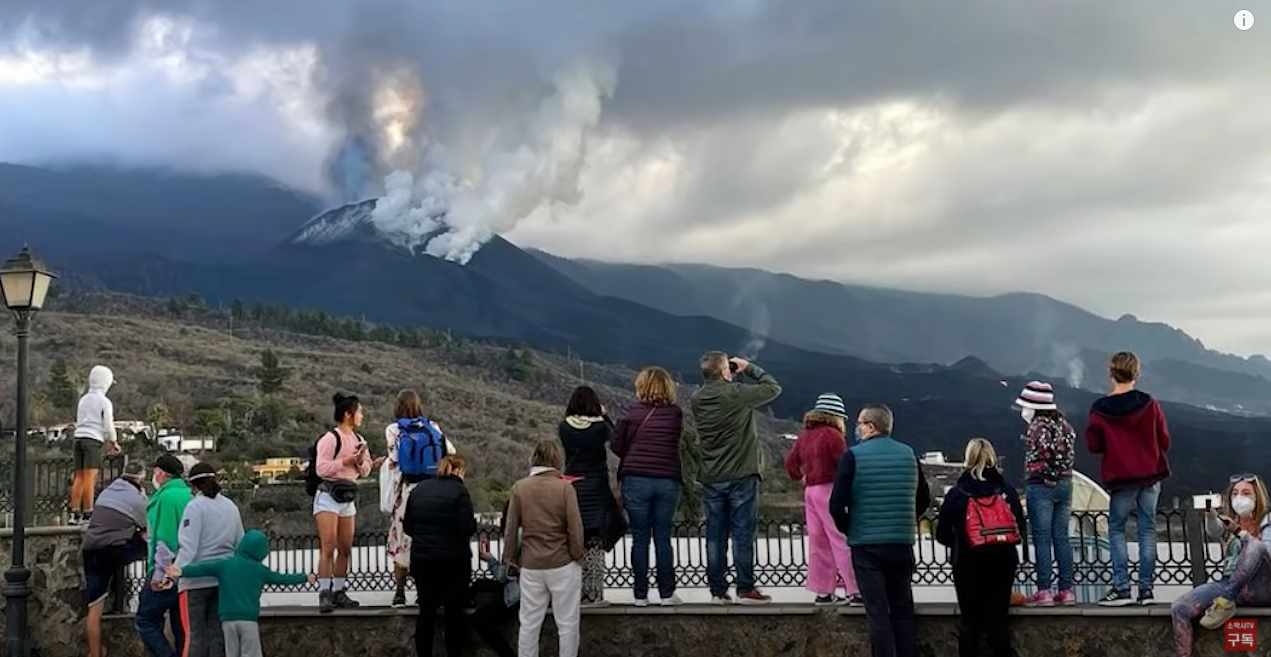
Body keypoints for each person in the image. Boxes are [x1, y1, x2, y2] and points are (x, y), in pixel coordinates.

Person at [829, 403, 931, 657]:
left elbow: (836, 504)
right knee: (902, 610)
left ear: (871, 426)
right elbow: (924, 498)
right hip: (901, 543)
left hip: (867, 546)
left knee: (877, 613)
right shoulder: (908, 454)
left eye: (860, 423)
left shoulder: (853, 456)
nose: (857, 427)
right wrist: (908, 519)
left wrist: (849, 528)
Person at [690, 351, 782, 605]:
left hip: (711, 475)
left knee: (715, 534)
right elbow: (773, 388)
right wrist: (749, 368)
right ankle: (745, 587)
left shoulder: (697, 398)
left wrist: (726, 374)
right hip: (742, 473)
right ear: (724, 371)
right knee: (742, 532)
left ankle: (718, 589)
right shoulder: (736, 394)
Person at [1085, 351, 1171, 606]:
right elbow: (1164, 439)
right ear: (1137, 373)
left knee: (1117, 530)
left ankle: (1121, 589)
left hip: (1121, 478)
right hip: (1150, 475)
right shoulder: (1150, 403)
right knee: (1147, 530)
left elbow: (1093, 445)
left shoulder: (1099, 409)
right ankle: (1146, 591)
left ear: (1110, 373)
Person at [935, 438, 1026, 657]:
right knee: (998, 620)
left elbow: (941, 534)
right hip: (1003, 559)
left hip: (968, 562)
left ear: (968, 459)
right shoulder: (1007, 491)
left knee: (969, 622)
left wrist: (962, 542)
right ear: (992, 459)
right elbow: (1019, 530)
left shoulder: (957, 495)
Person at [166, 530, 315, 657]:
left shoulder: (226, 564)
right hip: (248, 619)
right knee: (251, 652)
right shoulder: (259, 570)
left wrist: (182, 571)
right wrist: (304, 577)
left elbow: (204, 568)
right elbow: (281, 579)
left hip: (227, 619)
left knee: (232, 653)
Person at [1170, 474, 1271, 657]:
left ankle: (1225, 601)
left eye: (1246, 493)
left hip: (1261, 586)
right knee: (1180, 608)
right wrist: (1211, 514)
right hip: (1230, 584)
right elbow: (1214, 530)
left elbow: (1267, 552)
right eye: (1235, 494)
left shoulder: (1268, 521)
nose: (1240, 498)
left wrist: (1240, 533)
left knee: (1255, 546)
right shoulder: (1232, 521)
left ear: (1258, 496)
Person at [503, 439, 586, 657]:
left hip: (531, 564)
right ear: (556, 460)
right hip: (562, 563)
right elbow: (575, 528)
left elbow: (511, 529)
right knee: (567, 624)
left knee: (529, 623)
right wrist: (578, 555)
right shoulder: (565, 488)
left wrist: (510, 559)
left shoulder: (519, 488)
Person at [611, 366, 684, 607]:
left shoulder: (630, 411)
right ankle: (666, 593)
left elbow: (617, 444)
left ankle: (640, 594)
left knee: (640, 538)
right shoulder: (675, 414)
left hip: (636, 480)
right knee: (663, 538)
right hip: (667, 479)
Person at [784, 393, 859, 606]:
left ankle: (823, 592)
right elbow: (844, 466)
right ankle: (855, 590)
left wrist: (802, 476)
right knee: (841, 540)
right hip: (830, 490)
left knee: (819, 542)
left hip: (811, 492)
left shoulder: (805, 436)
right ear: (836, 417)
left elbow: (790, 464)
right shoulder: (833, 436)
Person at [385, 388, 456, 608]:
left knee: (402, 542)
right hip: (433, 490)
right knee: (427, 540)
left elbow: (394, 459)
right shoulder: (432, 427)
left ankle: (399, 592)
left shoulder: (393, 430)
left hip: (407, 493)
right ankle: (424, 590)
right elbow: (450, 452)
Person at [312, 393, 382, 613]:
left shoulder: (360, 440)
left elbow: (366, 468)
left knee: (345, 547)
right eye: (359, 411)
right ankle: (324, 591)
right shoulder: (330, 439)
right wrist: (346, 461)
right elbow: (321, 468)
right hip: (328, 496)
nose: (362, 415)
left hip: (347, 498)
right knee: (328, 546)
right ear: (348, 414)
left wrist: (361, 463)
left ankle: (339, 590)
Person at [403, 454, 477, 657]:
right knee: (454, 614)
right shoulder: (459, 491)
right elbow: (467, 527)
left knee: (426, 612)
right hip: (453, 562)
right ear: (459, 470)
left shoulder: (419, 489)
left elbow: (408, 526)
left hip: (423, 561)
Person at [1014, 380, 1078, 607]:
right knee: (1062, 537)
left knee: (1041, 538)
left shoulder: (1037, 427)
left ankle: (1044, 590)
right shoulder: (1065, 426)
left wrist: (1047, 477)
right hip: (1066, 484)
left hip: (1042, 485)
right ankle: (1066, 589)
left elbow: (1045, 455)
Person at [558, 385, 620, 607]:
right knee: (596, 539)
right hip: (596, 486)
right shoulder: (601, 427)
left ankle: (573, 592)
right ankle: (594, 594)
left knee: (575, 538)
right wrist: (605, 415)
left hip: (572, 486)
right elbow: (616, 440)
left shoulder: (563, 427)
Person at [175, 463, 245, 657]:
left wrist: (173, 573)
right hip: (223, 580)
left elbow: (189, 547)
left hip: (195, 582)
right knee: (217, 634)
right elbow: (240, 543)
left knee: (194, 636)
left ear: (193, 485)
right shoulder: (231, 507)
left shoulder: (195, 507)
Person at [82, 460, 149, 657]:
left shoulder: (106, 492)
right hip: (112, 551)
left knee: (94, 609)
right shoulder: (137, 500)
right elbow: (147, 527)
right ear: (141, 479)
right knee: (147, 546)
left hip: (90, 549)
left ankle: (94, 653)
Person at [133, 454, 192, 657]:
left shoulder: (166, 498)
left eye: (155, 472)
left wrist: (160, 574)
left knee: (145, 621)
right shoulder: (188, 495)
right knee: (180, 625)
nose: (153, 476)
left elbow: (166, 538)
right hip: (185, 569)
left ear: (162, 474)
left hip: (166, 569)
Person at [69, 364, 122, 525]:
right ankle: (88, 513)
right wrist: (113, 441)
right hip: (93, 441)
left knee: (79, 477)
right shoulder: (104, 402)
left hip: (78, 438)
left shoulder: (84, 399)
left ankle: (74, 512)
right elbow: (108, 423)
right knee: (90, 478)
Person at [470, 502, 521, 657]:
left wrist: (489, 559)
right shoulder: (527, 532)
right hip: (522, 586)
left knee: (479, 620)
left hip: (518, 595)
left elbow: (504, 574)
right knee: (479, 584)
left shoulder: (516, 536)